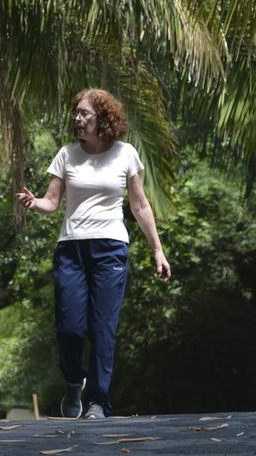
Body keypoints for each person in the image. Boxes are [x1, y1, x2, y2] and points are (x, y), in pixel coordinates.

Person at [16, 88, 170, 421]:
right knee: (70, 327)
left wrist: (157, 249)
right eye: (76, 113)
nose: (77, 118)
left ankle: (98, 400)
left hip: (111, 247)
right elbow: (51, 202)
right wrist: (34, 202)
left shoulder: (126, 154)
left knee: (104, 327)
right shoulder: (67, 154)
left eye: (84, 113)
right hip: (71, 247)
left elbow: (140, 204)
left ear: (104, 117)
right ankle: (75, 381)